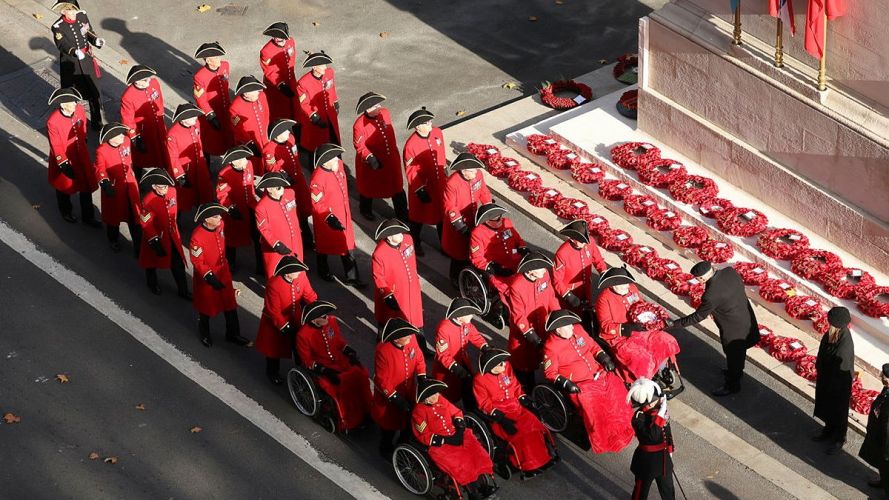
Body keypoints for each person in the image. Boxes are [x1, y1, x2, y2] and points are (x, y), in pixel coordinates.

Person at [542, 309, 633, 454]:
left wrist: (604, 357)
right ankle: (606, 436)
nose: (573, 327)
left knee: (617, 389)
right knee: (599, 405)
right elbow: (550, 373)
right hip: (580, 385)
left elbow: (592, 346)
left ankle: (623, 425)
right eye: (568, 326)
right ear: (558, 329)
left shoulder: (577, 329)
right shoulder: (551, 346)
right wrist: (567, 384)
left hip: (598, 373)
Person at [668, 261, 759, 396]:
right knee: (739, 354)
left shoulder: (711, 294)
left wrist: (674, 324)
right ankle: (734, 372)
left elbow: (698, 316)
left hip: (733, 329)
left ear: (701, 278)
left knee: (735, 357)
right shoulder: (730, 272)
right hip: (746, 319)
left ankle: (733, 385)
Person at [473, 348, 557, 479]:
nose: (504, 364)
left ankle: (543, 457)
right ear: (492, 367)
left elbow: (514, 385)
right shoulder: (479, 379)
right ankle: (528, 464)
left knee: (535, 425)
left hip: (516, 407)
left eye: (503, 362)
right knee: (521, 434)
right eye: (500, 363)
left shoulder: (506, 366)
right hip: (501, 414)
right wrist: (501, 418)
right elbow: (483, 403)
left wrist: (522, 397)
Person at [411, 377, 498, 500]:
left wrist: (460, 428)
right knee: (460, 463)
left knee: (476, 453)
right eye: (433, 394)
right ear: (425, 397)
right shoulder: (419, 412)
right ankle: (473, 491)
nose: (436, 396)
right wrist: (447, 440)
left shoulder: (441, 399)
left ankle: (483, 485)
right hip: (441, 445)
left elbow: (456, 412)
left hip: (456, 434)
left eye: (437, 392)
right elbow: (424, 435)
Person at [296, 300, 372, 432]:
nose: (327, 317)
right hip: (323, 368)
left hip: (339, 360)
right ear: (314, 321)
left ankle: (367, 410)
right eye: (323, 316)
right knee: (342, 384)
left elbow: (338, 342)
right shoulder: (303, 335)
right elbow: (307, 361)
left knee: (361, 373)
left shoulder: (331, 321)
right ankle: (350, 420)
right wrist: (324, 370)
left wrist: (349, 351)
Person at [595, 266, 680, 383]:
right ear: (614, 285)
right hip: (620, 338)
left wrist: (660, 318)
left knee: (667, 341)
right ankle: (642, 382)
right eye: (624, 284)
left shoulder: (632, 288)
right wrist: (628, 328)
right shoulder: (604, 299)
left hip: (640, 330)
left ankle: (660, 368)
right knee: (643, 360)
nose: (627, 286)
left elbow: (643, 308)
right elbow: (606, 326)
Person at [189, 203, 249, 348]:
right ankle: (204, 332)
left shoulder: (220, 224)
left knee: (230, 303)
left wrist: (232, 212)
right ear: (206, 220)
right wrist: (209, 276)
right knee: (206, 306)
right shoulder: (196, 238)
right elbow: (198, 261)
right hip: (207, 277)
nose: (220, 218)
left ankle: (233, 334)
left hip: (223, 271)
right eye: (216, 216)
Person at [502, 251, 561, 390]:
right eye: (540, 268)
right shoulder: (517, 286)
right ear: (531, 272)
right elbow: (519, 315)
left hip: (543, 324)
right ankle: (524, 387)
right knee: (524, 363)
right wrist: (531, 335)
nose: (544, 269)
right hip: (525, 332)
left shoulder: (544, 274)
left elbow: (551, 297)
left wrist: (558, 315)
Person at [309, 144, 365, 288]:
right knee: (324, 247)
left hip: (343, 213)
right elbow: (317, 203)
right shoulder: (318, 179)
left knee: (347, 246)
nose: (337, 160)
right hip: (328, 218)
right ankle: (323, 270)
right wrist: (329, 217)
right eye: (333, 158)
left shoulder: (337, 165)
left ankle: (352, 277)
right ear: (325, 161)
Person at [255, 255, 317, 384]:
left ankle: (303, 371)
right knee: (273, 350)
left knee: (300, 346)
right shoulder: (274, 285)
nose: (300, 272)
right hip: (276, 322)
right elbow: (274, 311)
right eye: (296, 271)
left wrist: (316, 309)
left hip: (295, 317)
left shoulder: (301, 277)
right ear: (288, 274)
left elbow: (309, 294)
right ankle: (272, 373)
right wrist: (285, 327)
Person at [372, 318, 427, 457]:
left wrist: (422, 376)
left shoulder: (411, 340)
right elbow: (382, 380)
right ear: (396, 339)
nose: (409, 336)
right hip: (391, 394)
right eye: (405, 335)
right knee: (389, 425)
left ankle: (404, 442)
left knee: (410, 419)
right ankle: (385, 449)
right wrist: (395, 397)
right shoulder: (383, 351)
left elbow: (419, 358)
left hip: (409, 389)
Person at [46, 87, 98, 225]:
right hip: (66, 158)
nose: (76, 104)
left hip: (81, 154)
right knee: (64, 187)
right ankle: (66, 211)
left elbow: (83, 124)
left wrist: (84, 137)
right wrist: (63, 163)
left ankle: (88, 217)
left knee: (85, 186)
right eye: (72, 102)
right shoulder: (53, 121)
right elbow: (56, 145)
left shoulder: (79, 110)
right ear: (63, 105)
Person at [352, 92, 407, 221]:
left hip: (390, 159)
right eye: (376, 106)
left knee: (397, 186)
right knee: (369, 188)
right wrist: (370, 158)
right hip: (373, 162)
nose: (379, 107)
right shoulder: (359, 125)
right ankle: (365, 209)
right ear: (368, 109)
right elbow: (359, 146)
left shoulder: (385, 113)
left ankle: (402, 214)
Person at [51, 1, 105, 128]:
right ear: (63, 12)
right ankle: (74, 123)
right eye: (70, 11)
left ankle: (97, 122)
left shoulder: (82, 16)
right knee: (72, 95)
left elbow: (88, 32)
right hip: (71, 63)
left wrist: (96, 40)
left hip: (86, 59)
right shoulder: (58, 26)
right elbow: (62, 45)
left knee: (94, 91)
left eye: (75, 10)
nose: (74, 13)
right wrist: (74, 52)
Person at [261, 118, 314, 247]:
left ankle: (307, 238)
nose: (288, 132)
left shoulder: (290, 139)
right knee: (292, 213)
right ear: (277, 134)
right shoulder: (269, 150)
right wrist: (283, 174)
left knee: (304, 209)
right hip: (285, 186)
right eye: (284, 131)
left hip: (298, 181)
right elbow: (271, 168)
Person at [370, 219, 425, 343]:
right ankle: (382, 340)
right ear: (389, 237)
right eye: (397, 233)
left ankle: (422, 345)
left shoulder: (408, 239)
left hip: (411, 288)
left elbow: (412, 260)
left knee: (416, 318)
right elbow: (378, 277)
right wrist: (388, 295)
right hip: (395, 293)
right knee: (389, 318)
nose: (401, 235)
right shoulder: (379, 253)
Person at [137, 168, 189, 298]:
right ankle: (152, 283)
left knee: (178, 264)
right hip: (157, 237)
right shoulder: (148, 201)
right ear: (154, 186)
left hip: (172, 234)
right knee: (151, 262)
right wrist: (155, 240)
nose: (165, 189)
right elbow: (146, 223)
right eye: (161, 187)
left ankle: (183, 290)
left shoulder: (172, 192)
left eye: (166, 186)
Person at [442, 153, 493, 282]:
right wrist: (461, 227)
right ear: (464, 172)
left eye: (476, 170)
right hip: (458, 224)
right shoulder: (452, 183)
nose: (476, 173)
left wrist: (489, 208)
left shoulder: (478, 175)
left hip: (473, 218)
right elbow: (450, 208)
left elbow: (483, 192)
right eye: (472, 171)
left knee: (473, 250)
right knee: (458, 255)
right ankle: (454, 278)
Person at [403, 107, 446, 256]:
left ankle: (444, 244)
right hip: (424, 187)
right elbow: (411, 170)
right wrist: (419, 189)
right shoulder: (411, 145)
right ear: (417, 127)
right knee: (418, 217)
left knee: (442, 215)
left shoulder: (437, 133)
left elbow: (441, 153)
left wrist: (444, 169)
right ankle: (415, 241)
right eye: (426, 122)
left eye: (430, 121)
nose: (430, 124)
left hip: (439, 182)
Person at [93, 122, 141, 253]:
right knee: (113, 218)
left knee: (135, 217)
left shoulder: (126, 141)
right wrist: (105, 182)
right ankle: (113, 239)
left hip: (130, 187)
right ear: (110, 137)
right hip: (115, 189)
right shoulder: (101, 151)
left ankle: (139, 245)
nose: (122, 136)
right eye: (118, 134)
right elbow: (99, 169)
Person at [813, 307, 855, 455]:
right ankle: (828, 429)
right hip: (828, 379)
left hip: (837, 385)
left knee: (838, 411)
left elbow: (841, 369)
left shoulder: (844, 345)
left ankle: (839, 438)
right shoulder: (832, 334)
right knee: (828, 408)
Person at [432, 298, 490, 405]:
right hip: (449, 370)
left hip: (463, 361)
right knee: (449, 397)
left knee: (469, 388)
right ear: (459, 317)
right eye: (468, 314)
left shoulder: (466, 323)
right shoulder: (443, 328)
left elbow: (474, 335)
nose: (472, 316)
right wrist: (458, 370)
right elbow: (443, 355)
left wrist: (485, 347)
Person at [626, 378, 676, 500]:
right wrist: (661, 414)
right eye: (656, 400)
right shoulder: (638, 418)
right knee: (640, 493)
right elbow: (653, 435)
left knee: (668, 490)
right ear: (648, 404)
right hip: (646, 462)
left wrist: (670, 449)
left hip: (663, 460)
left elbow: (667, 432)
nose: (660, 401)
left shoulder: (658, 412)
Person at [215, 145, 261, 273]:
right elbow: (222, 195)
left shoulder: (249, 164)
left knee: (257, 237)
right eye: (239, 159)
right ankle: (230, 263)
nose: (243, 161)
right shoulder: (224, 174)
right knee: (231, 239)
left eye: (244, 158)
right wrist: (230, 208)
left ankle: (261, 266)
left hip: (250, 206)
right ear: (231, 162)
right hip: (236, 210)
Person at [165, 103, 213, 216]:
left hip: (199, 166)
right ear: (184, 120)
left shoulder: (196, 123)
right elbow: (173, 157)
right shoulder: (172, 135)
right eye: (192, 117)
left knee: (203, 191)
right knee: (183, 198)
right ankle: (176, 219)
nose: (196, 118)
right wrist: (180, 175)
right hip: (185, 170)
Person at [254, 171, 304, 277]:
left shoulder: (290, 193)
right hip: (279, 245)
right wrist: (276, 244)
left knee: (297, 271)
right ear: (269, 189)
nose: (282, 189)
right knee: (277, 275)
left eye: (282, 185)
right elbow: (263, 229)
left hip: (295, 240)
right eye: (278, 187)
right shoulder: (261, 207)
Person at [552, 220, 607, 315]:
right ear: (573, 239)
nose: (585, 243)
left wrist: (603, 272)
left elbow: (597, 259)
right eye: (582, 241)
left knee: (587, 314)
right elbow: (556, 280)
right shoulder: (562, 254)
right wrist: (568, 295)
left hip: (586, 287)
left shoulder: (589, 242)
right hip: (572, 292)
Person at [120, 64, 167, 175]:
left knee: (162, 151)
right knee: (140, 159)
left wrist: (161, 116)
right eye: (146, 80)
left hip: (158, 126)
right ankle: (138, 179)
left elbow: (159, 101)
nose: (149, 81)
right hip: (143, 131)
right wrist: (135, 137)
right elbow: (127, 119)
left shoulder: (154, 83)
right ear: (137, 81)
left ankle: (163, 174)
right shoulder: (127, 97)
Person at [295, 51, 340, 158]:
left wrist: (335, 102)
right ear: (314, 67)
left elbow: (331, 89)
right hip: (316, 118)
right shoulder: (303, 83)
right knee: (316, 143)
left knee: (333, 138)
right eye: (322, 65)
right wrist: (314, 117)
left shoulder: (329, 73)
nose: (325, 67)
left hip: (330, 113)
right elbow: (303, 103)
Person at [193, 42, 232, 156]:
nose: (219, 59)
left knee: (229, 136)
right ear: (208, 61)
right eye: (215, 57)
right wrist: (210, 115)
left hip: (225, 107)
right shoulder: (200, 77)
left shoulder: (225, 65)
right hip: (213, 111)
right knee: (211, 141)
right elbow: (200, 99)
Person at [469, 203, 526, 277]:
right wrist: (494, 268)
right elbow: (477, 258)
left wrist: (523, 248)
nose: (501, 220)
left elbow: (518, 240)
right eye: (497, 219)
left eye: (500, 216)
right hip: (497, 266)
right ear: (487, 221)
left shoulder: (506, 222)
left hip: (514, 259)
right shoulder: (477, 233)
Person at [259, 22, 297, 121]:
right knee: (279, 111)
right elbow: (268, 71)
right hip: (276, 87)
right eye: (274, 37)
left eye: (279, 37)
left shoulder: (291, 42)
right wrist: (280, 85)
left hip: (290, 79)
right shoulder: (266, 51)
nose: (276, 39)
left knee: (294, 107)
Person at [229, 76, 270, 156]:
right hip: (251, 142)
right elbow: (238, 130)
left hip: (264, 138)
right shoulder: (235, 108)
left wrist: (267, 131)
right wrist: (249, 143)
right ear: (246, 94)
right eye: (255, 91)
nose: (258, 92)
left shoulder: (262, 96)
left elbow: (266, 113)